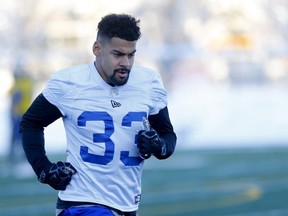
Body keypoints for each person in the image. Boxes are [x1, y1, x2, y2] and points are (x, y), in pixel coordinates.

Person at [20, 13, 177, 216]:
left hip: (127, 203)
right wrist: (43, 169)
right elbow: (31, 122)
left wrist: (159, 146)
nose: (125, 63)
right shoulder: (70, 83)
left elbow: (168, 135)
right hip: (82, 202)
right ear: (97, 49)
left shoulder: (148, 82)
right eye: (117, 54)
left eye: (131, 55)